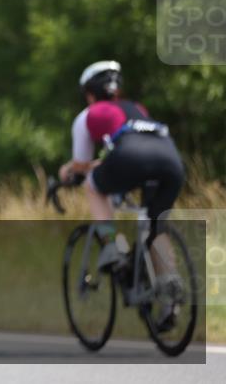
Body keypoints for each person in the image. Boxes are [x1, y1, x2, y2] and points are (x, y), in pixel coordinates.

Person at [59, 60, 185, 330]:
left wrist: (67, 170)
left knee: (92, 185)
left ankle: (114, 247)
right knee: (154, 225)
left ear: (90, 93)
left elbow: (82, 164)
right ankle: (169, 287)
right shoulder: (137, 109)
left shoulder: (88, 115)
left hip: (129, 158)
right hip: (171, 160)